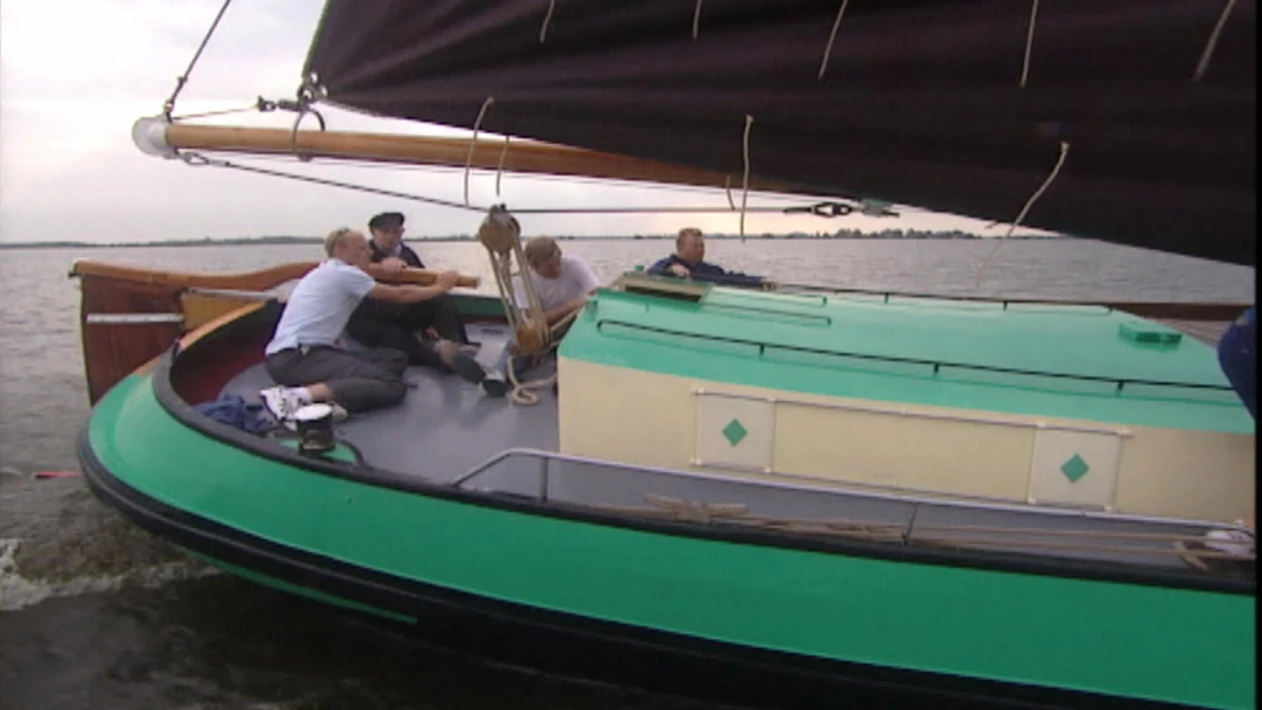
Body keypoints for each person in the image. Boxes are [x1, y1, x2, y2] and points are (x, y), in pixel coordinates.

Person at [258, 227, 499, 423]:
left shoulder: (326, 271)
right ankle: (294, 396)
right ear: (340, 251)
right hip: (296, 359)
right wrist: (440, 287)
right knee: (393, 387)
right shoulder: (344, 273)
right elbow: (398, 295)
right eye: (362, 248)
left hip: (301, 354)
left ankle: (340, 394)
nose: (370, 253)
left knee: (395, 358)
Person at [345, 212, 471, 369]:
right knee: (398, 340)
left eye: (395, 232)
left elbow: (425, 284)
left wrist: (429, 322)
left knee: (440, 298)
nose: (390, 237)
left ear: (402, 232)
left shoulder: (408, 254)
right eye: (385, 232)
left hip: (403, 310)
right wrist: (381, 265)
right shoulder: (364, 254)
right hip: (375, 315)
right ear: (373, 232)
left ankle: (459, 347)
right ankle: (441, 359)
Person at [489, 236, 601, 380]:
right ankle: (496, 376)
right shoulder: (522, 280)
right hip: (545, 328)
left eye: (558, 263)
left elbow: (598, 294)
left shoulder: (574, 265)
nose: (557, 269)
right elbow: (535, 319)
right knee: (517, 346)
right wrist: (570, 306)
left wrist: (578, 306)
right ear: (534, 266)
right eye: (550, 267)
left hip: (576, 322)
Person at [645, 227, 765, 288]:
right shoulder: (666, 265)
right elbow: (651, 272)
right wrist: (671, 268)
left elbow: (730, 278)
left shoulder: (709, 270)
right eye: (695, 246)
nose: (700, 250)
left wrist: (759, 281)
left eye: (702, 246)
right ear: (680, 247)